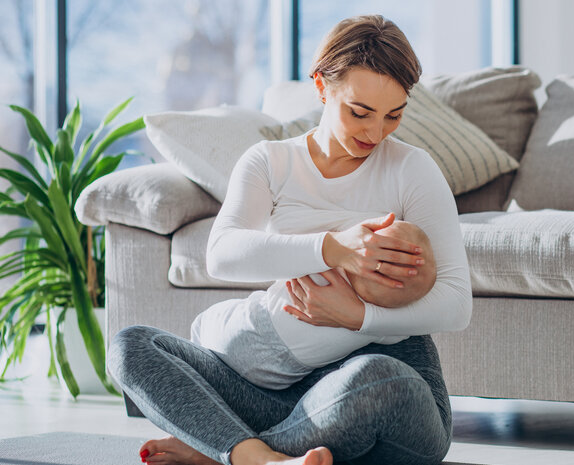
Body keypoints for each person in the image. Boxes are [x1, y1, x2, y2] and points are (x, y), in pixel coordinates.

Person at [107, 14, 471, 465]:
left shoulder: (413, 170)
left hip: (379, 393)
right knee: (131, 345)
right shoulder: (272, 162)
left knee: (379, 379)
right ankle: (258, 456)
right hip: (277, 390)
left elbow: (457, 304)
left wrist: (358, 316)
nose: (375, 133)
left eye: (393, 115)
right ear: (321, 86)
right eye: (360, 112)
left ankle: (224, 448)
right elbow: (221, 254)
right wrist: (332, 248)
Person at [190, 219, 437, 390]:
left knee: (201, 325)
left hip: (250, 326)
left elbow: (292, 250)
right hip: (277, 378)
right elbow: (405, 329)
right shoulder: (385, 330)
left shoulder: (325, 271)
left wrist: (337, 244)